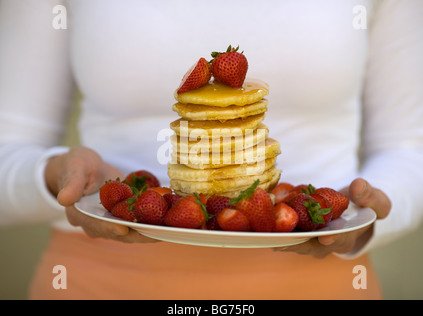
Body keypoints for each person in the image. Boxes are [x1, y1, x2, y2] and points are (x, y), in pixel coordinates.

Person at [0, 0, 422, 300]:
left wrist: (362, 218)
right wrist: (53, 176)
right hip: (99, 281)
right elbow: (9, 147)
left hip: (320, 281)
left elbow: (410, 148)